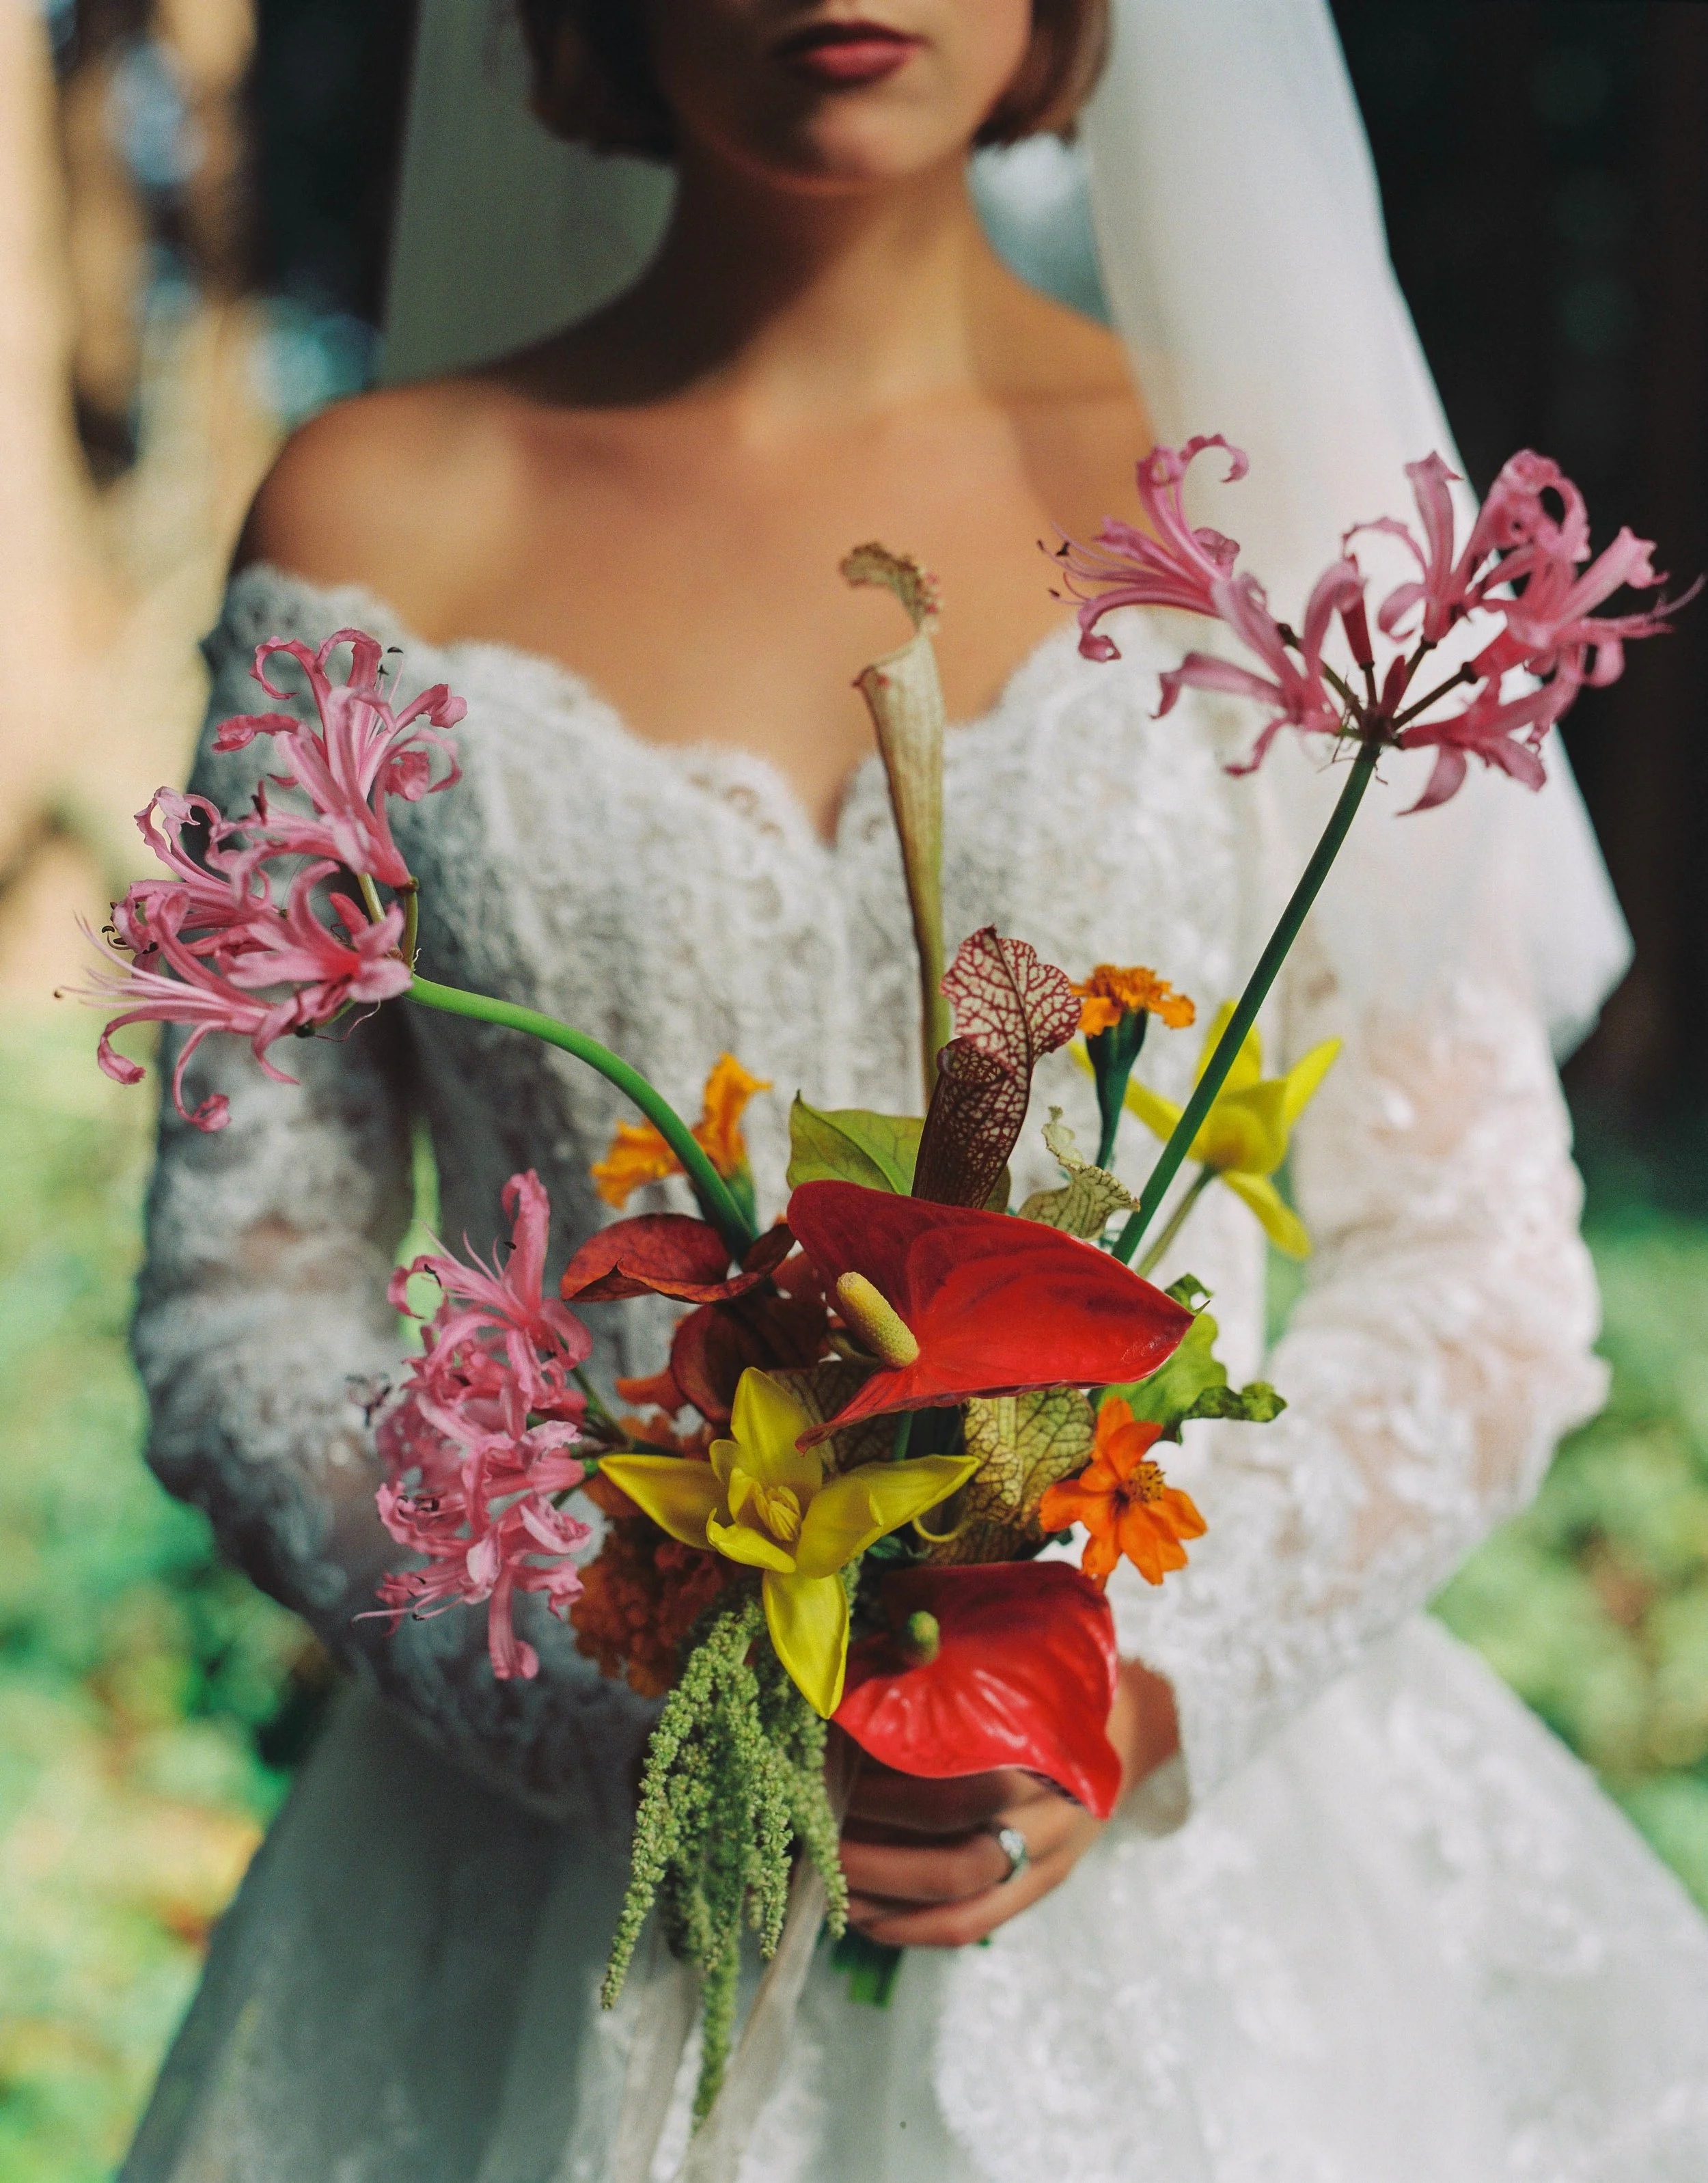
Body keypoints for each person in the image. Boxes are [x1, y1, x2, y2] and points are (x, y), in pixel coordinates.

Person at [124, 4, 1708, 2180]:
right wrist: (640, 1699)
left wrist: (1114, 1699)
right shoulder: (380, 526)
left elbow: (1474, 1268)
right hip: (552, 1901)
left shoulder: (1268, 499)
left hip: (1181, 1896)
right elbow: (247, 1307)